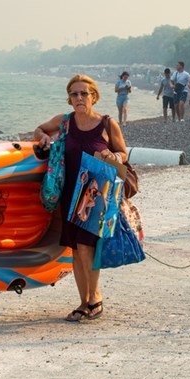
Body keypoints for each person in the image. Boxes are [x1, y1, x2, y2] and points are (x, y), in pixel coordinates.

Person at [34, 74, 128, 322]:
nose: (78, 98)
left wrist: (113, 157)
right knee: (75, 250)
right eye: (74, 94)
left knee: (87, 247)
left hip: (94, 194)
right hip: (69, 193)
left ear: (94, 97)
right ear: (69, 98)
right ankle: (84, 302)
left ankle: (94, 299)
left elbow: (123, 153)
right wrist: (43, 138)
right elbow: (40, 129)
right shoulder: (65, 123)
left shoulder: (106, 124)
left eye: (83, 93)